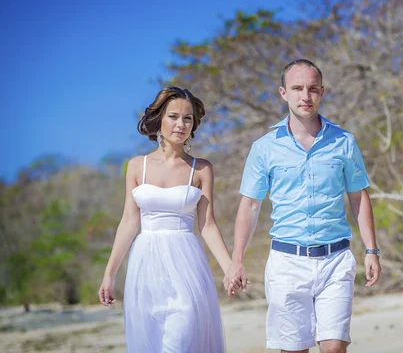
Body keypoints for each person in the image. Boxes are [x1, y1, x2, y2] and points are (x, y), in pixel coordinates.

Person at [225, 59, 382, 353]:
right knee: (294, 350)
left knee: (334, 347)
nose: (305, 96)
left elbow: (359, 197)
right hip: (287, 262)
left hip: (335, 258)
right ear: (283, 92)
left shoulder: (344, 142)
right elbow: (249, 206)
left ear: (321, 92)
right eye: (297, 88)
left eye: (312, 89)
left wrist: (371, 250)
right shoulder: (264, 147)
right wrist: (237, 260)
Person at [98, 86, 234, 353]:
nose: (181, 124)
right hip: (145, 265)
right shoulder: (137, 166)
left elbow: (207, 225)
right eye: (173, 116)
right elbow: (129, 222)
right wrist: (109, 274)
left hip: (186, 265)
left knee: (180, 339)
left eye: (188, 118)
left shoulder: (202, 168)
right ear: (159, 118)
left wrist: (231, 267)